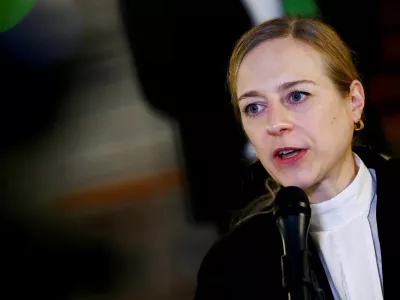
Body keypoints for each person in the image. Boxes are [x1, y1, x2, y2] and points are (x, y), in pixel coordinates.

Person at [194, 17, 399, 300]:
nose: (275, 123)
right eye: (254, 107)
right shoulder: (230, 269)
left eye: (297, 96)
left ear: (354, 102)